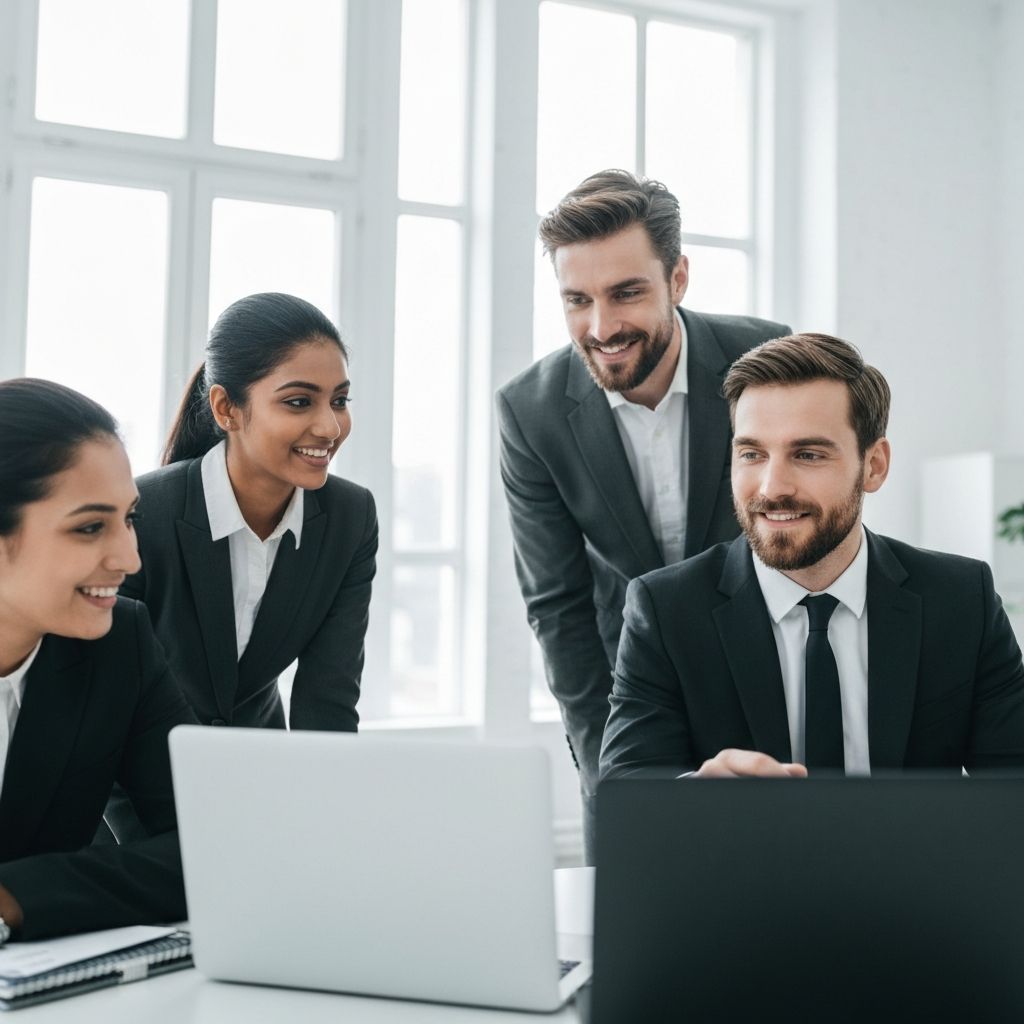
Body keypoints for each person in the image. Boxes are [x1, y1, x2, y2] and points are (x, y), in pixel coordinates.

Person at [496, 169, 789, 857]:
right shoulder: (530, 412)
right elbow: (558, 606)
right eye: (577, 300)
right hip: (627, 704)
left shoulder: (768, 359)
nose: (602, 327)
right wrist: (613, 771)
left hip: (767, 689)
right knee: (633, 940)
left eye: (626, 292)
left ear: (677, 278)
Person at [600, 333, 1024, 781]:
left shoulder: (960, 599)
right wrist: (694, 796)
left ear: (874, 465)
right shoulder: (665, 609)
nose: (771, 488)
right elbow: (629, 789)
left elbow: (1014, 786)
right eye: (752, 453)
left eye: (807, 454)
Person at [120, 293, 378, 734]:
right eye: (299, 401)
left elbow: (329, 702)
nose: (331, 428)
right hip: (140, 781)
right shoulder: (142, 514)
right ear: (226, 409)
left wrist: (319, 801)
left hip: (262, 772)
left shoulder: (350, 518)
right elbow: (107, 698)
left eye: (339, 400)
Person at [0, 379, 195, 942]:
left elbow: (209, 845)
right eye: (90, 527)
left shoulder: (119, 645)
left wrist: (15, 895)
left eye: (129, 518)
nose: (129, 557)